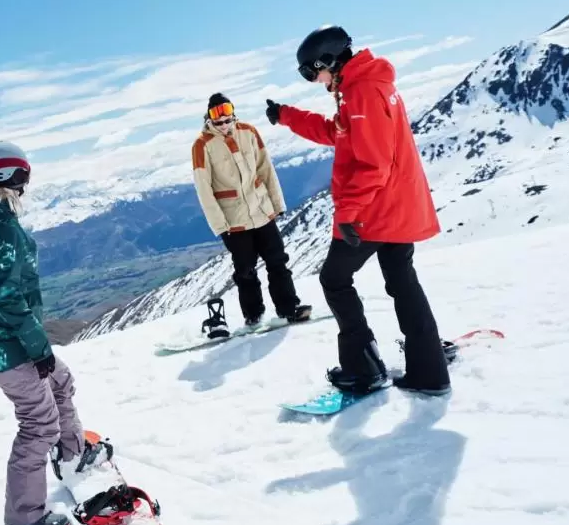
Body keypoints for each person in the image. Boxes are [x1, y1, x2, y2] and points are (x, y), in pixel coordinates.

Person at [264, 25, 450, 395]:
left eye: (312, 72)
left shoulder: (362, 92)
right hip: (395, 205)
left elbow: (374, 165)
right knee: (402, 282)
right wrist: (287, 115)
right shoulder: (364, 87)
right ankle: (430, 371)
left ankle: (363, 368)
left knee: (334, 279)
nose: (315, 80)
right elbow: (338, 133)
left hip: (375, 210)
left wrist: (348, 213)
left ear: (329, 61)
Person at [0, 141, 110, 525]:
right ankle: (23, 517)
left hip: (8, 337)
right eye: (23, 176)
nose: (25, 185)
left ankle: (72, 454)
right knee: (39, 423)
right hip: (9, 344)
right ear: (7, 176)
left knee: (61, 383)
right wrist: (38, 349)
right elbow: (6, 294)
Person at [191, 93, 311, 328]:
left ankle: (289, 308)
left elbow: (266, 169)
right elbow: (203, 190)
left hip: (262, 212)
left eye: (227, 116)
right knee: (245, 271)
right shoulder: (202, 145)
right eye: (218, 118)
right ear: (210, 118)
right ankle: (253, 315)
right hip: (234, 221)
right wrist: (220, 227)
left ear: (233, 113)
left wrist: (277, 206)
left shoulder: (248, 131)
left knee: (278, 262)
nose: (224, 123)